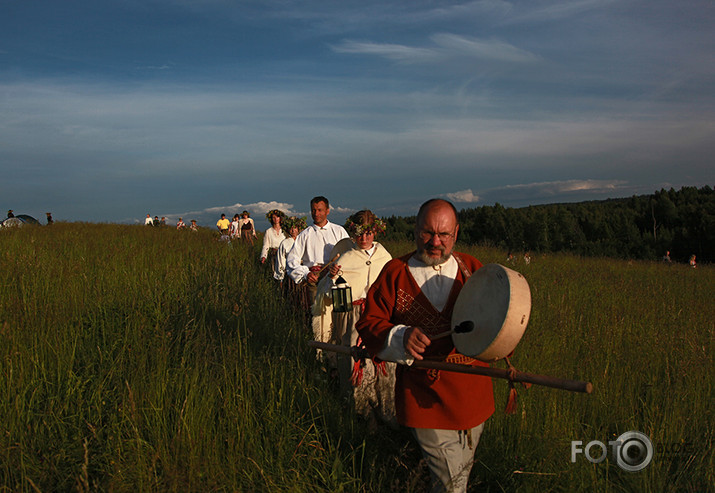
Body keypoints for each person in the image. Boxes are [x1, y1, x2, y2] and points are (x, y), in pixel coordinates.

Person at [356, 199, 494, 493]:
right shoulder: (395, 272)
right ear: (415, 230)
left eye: (444, 235)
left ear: (455, 233)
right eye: (427, 233)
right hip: (423, 396)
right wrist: (400, 336)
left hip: (474, 395)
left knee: (459, 476)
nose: (435, 242)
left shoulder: (473, 270)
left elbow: (497, 321)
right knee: (451, 484)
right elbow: (369, 323)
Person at [314, 210, 395, 428]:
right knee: (354, 360)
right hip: (353, 317)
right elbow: (326, 294)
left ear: (375, 232)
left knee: (383, 359)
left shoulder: (384, 256)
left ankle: (385, 409)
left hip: (379, 316)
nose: (364, 238)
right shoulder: (345, 257)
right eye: (359, 233)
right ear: (353, 233)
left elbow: (392, 286)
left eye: (368, 233)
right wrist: (331, 278)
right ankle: (361, 413)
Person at [286, 196, 349, 311]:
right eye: (313, 210)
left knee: (339, 310)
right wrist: (306, 274)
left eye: (320, 210)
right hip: (315, 279)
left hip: (336, 277)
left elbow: (349, 253)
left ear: (327, 211)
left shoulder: (339, 231)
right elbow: (291, 260)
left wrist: (338, 268)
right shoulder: (305, 235)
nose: (316, 213)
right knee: (317, 314)